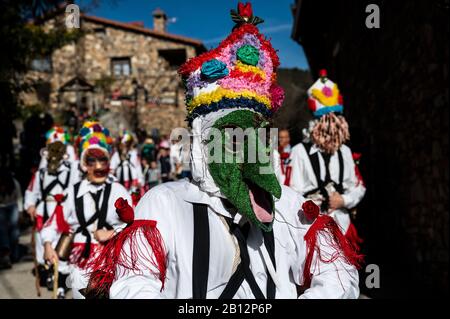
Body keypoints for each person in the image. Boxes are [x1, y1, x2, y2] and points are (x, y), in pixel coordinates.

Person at [85, 3, 362, 299]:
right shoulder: (164, 205)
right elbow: (135, 284)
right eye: (232, 137)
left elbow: (339, 276)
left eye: (256, 134)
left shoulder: (289, 205)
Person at [41, 121, 131, 299]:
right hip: (81, 264)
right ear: (83, 164)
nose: (98, 167)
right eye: (91, 160)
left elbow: (134, 226)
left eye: (102, 160)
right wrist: (48, 244)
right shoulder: (72, 192)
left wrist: (112, 233)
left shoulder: (118, 190)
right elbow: (54, 222)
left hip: (112, 263)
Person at [289, 69, 366, 251]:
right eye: (326, 120)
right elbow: (292, 192)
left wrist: (344, 200)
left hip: (343, 225)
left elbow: (358, 186)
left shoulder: (345, 151)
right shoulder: (299, 152)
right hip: (311, 229)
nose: (331, 126)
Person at [24, 126, 80, 298]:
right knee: (44, 243)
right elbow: (31, 192)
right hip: (45, 211)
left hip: (63, 211)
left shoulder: (72, 169)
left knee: (63, 246)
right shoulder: (40, 173)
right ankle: (50, 274)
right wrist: (30, 205)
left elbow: (76, 189)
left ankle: (61, 283)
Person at [0, 169, 22, 269]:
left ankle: (15, 254)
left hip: (13, 205)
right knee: (2, 230)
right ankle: (6, 254)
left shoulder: (15, 184)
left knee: (15, 230)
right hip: (1, 207)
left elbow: (19, 198)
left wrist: (20, 212)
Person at [110, 130, 144, 194]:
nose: (125, 146)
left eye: (127, 144)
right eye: (124, 144)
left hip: (133, 182)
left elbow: (138, 167)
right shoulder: (116, 155)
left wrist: (140, 180)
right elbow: (112, 169)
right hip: (120, 181)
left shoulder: (133, 153)